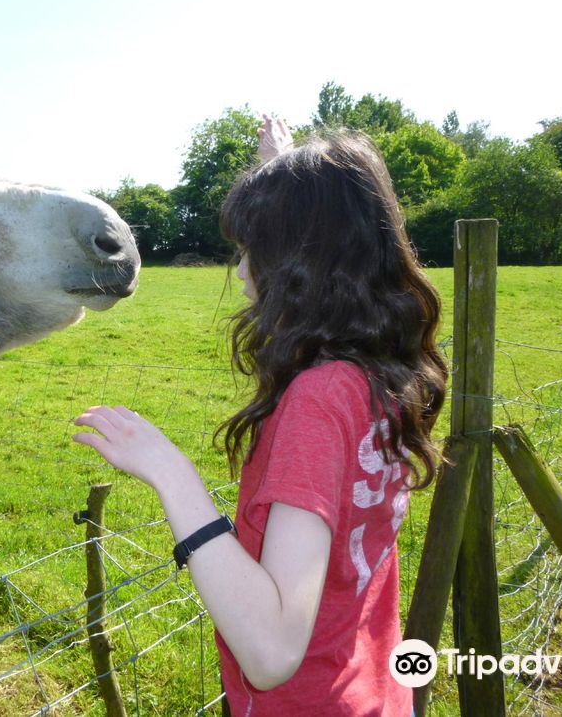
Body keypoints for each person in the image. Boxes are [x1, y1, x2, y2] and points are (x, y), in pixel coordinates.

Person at [72, 115, 447, 715]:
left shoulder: (318, 403)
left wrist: (171, 473)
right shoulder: (385, 371)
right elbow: (343, 210)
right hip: (373, 691)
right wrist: (287, 167)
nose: (242, 272)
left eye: (255, 251)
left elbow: (271, 652)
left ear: (305, 262)